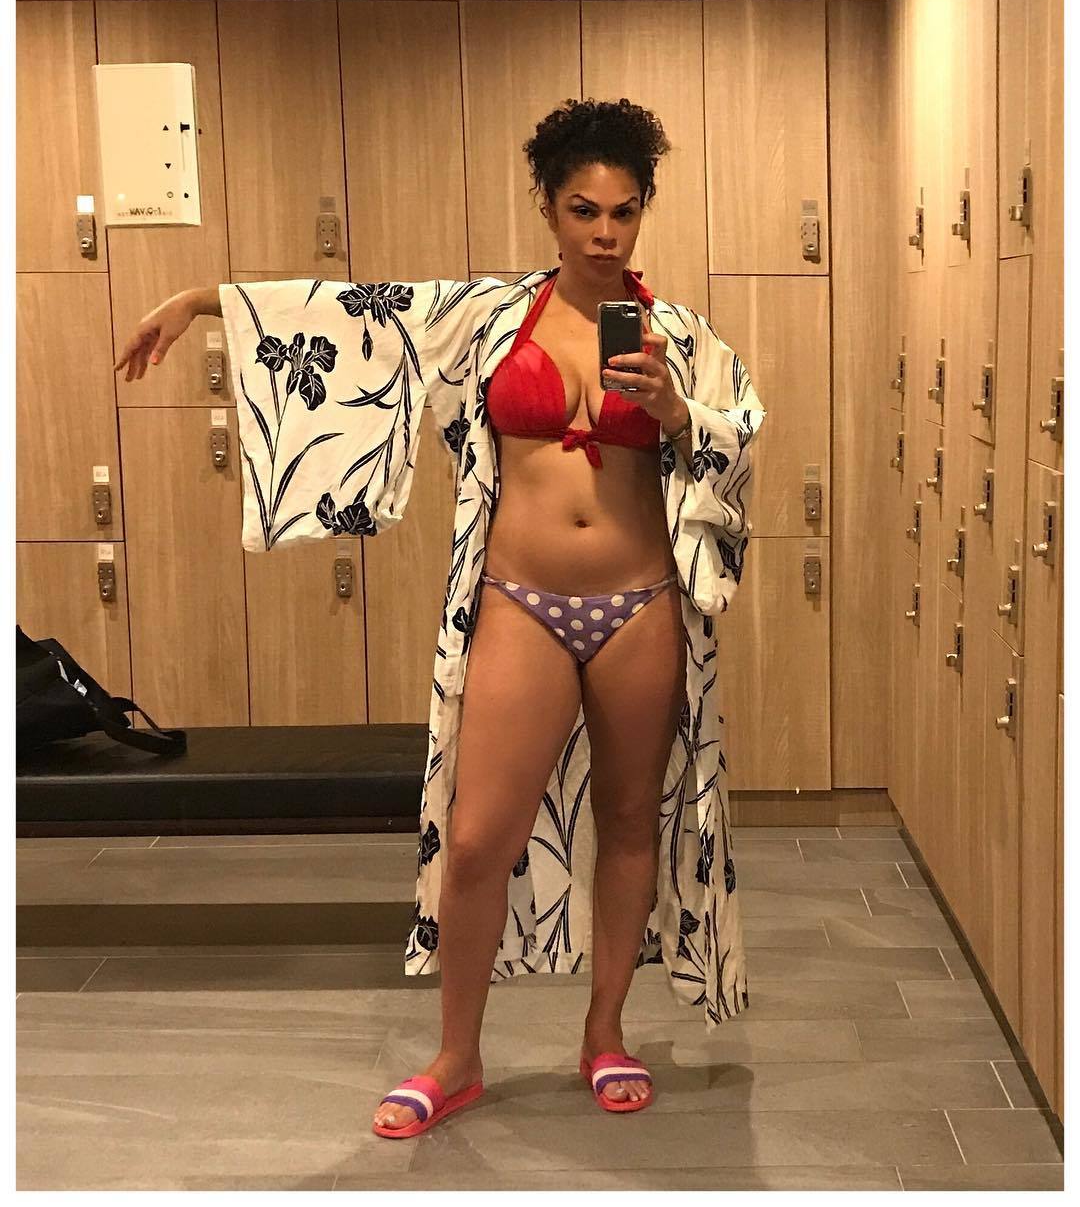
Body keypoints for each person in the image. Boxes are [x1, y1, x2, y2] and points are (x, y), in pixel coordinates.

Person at [114, 97, 767, 1138]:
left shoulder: (681, 338)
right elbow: (354, 313)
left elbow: (738, 439)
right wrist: (196, 304)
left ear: (644, 212)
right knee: (474, 841)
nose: (605, 233)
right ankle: (457, 1056)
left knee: (629, 822)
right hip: (522, 599)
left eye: (624, 212)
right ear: (547, 208)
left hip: (641, 604)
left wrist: (678, 412)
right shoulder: (487, 317)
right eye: (584, 210)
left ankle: (605, 1033)